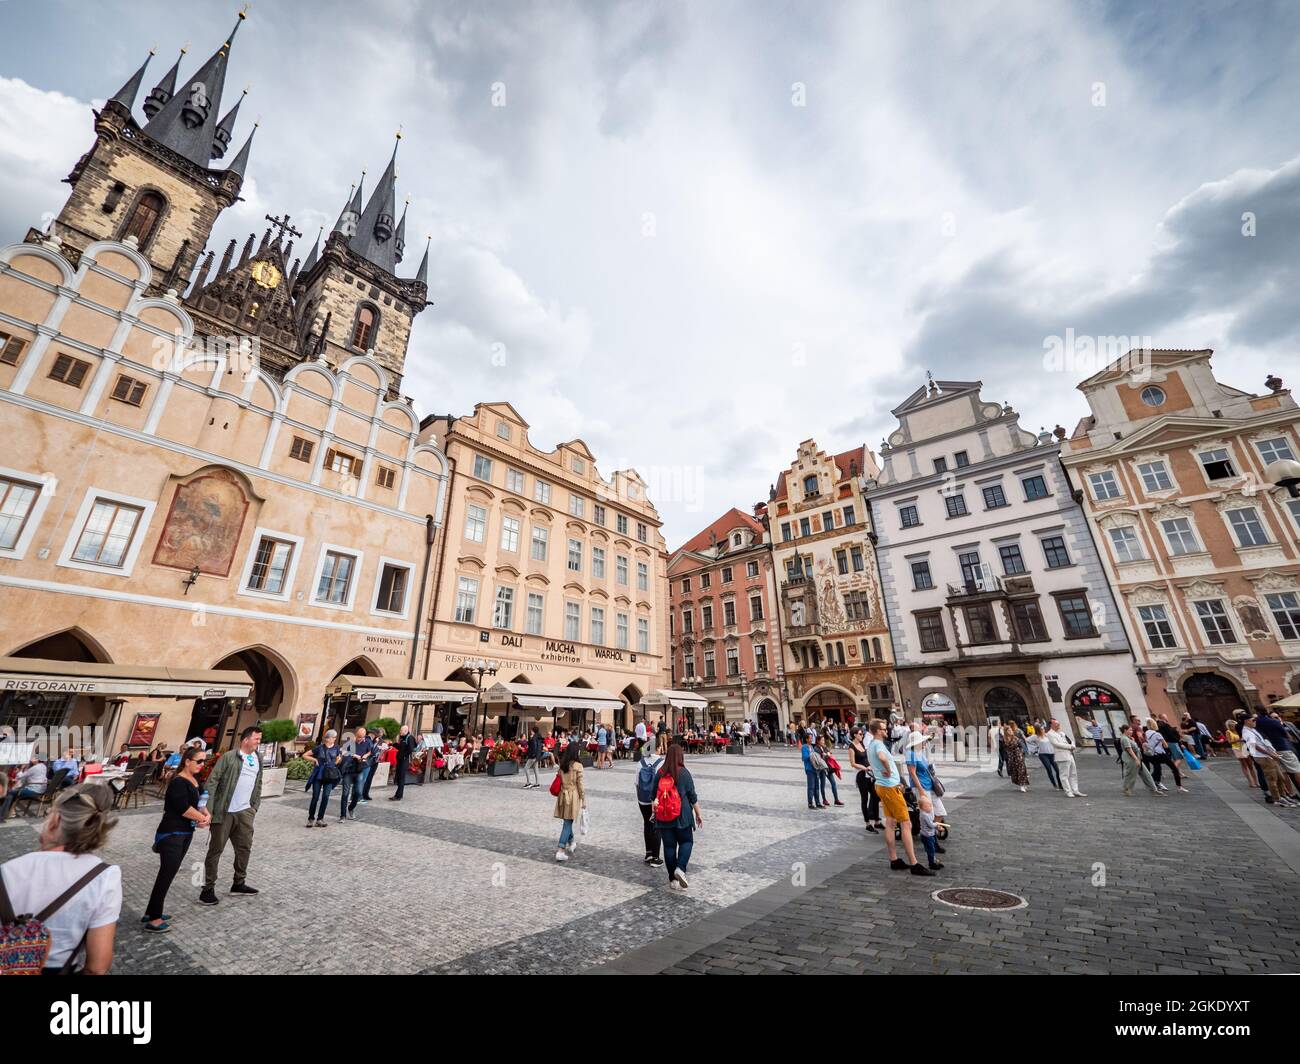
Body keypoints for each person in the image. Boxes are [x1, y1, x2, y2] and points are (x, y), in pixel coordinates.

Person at [0, 784, 120, 974]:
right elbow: (97, 967)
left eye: (48, 813)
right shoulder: (105, 876)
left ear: (55, 820)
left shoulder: (7, 871)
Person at [144, 745, 210, 933]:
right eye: (199, 761)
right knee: (166, 873)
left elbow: (201, 802)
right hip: (171, 833)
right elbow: (183, 808)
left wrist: (207, 815)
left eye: (204, 761)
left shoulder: (195, 780)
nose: (202, 765)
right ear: (187, 761)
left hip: (185, 833)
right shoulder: (178, 782)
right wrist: (201, 818)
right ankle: (154, 919)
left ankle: (152, 911)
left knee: (169, 873)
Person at [198, 725, 263, 906]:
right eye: (257, 739)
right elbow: (212, 782)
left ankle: (239, 883)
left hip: (245, 812)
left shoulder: (258, 758)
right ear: (246, 739)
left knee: (244, 848)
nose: (259, 742)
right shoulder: (229, 757)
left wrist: (254, 806)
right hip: (224, 812)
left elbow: (258, 783)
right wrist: (208, 808)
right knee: (216, 850)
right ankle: (207, 889)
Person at [866, 719, 931, 876]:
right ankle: (914, 863)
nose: (886, 730)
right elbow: (882, 757)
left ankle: (894, 859)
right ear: (876, 731)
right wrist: (888, 770)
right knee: (906, 824)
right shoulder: (878, 745)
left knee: (890, 822)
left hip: (882, 786)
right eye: (883, 728)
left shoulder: (871, 745)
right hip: (889, 787)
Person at [653, 742, 701, 889]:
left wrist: (653, 814)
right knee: (686, 842)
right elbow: (692, 796)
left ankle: (672, 880)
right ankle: (680, 868)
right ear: (681, 756)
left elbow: (652, 795)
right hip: (683, 815)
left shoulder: (660, 772)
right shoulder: (684, 773)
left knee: (669, 846)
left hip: (664, 816)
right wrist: (698, 814)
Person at [1241, 715, 1297, 807]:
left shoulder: (1252, 729)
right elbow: (1254, 745)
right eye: (1253, 720)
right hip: (1263, 757)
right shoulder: (1246, 732)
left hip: (1268, 755)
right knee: (1272, 779)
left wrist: (1272, 753)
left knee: (1280, 777)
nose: (1255, 721)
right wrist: (1270, 753)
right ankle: (1277, 799)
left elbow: (1262, 742)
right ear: (1246, 721)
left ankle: (1283, 796)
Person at [553, 740, 587, 862]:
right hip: (572, 796)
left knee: (567, 821)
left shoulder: (563, 764)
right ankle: (561, 850)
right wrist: (584, 800)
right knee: (568, 823)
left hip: (563, 795)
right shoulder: (578, 766)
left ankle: (571, 842)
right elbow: (580, 785)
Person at [634, 742, 664, 867]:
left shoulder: (640, 763)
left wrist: (640, 797)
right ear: (657, 748)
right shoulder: (662, 762)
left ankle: (648, 853)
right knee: (656, 826)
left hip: (643, 799)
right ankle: (656, 858)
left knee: (647, 823)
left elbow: (636, 783)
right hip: (656, 799)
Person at [305, 729, 343, 826]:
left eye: (335, 737)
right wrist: (314, 759)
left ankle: (320, 819)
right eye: (333, 737)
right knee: (315, 797)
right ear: (328, 738)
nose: (335, 739)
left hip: (330, 775)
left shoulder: (337, 748)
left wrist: (337, 762)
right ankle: (311, 818)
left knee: (326, 796)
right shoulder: (319, 748)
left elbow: (339, 758)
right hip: (319, 774)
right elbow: (305, 755)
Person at [1143, 720, 1188, 794]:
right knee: (1174, 769)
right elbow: (1165, 745)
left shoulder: (1146, 733)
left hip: (1153, 754)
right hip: (1161, 753)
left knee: (1157, 768)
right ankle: (1179, 787)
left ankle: (1155, 783)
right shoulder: (1157, 734)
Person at [1118, 724, 1162, 797]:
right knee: (1131, 775)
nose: (1132, 731)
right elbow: (1129, 750)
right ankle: (1127, 790)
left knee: (1146, 774)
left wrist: (1133, 740)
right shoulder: (1124, 738)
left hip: (1137, 758)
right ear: (1125, 730)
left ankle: (1154, 790)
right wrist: (1136, 759)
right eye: (1130, 730)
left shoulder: (1128, 738)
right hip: (1132, 760)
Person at [0, 756, 48, 820]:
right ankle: (9, 812)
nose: (31, 759)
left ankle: (3, 814)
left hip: (33, 790)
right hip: (41, 789)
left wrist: (20, 770)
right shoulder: (43, 766)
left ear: (37, 760)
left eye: (33, 758)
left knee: (10, 793)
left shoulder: (34, 768)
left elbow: (21, 776)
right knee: (13, 793)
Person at [1046, 719, 1085, 797]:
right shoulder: (1050, 734)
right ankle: (1068, 791)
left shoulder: (1062, 733)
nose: (1058, 725)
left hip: (1069, 754)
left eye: (1058, 723)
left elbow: (1070, 740)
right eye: (1056, 724)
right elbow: (1056, 744)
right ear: (1051, 725)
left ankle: (1075, 790)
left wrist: (1072, 745)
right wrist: (1070, 746)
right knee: (1064, 775)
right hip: (1061, 756)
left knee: (1073, 773)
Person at [390, 724, 418, 800]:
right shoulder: (403, 738)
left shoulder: (410, 738)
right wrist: (393, 744)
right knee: (399, 777)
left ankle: (398, 796)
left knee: (401, 778)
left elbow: (410, 749)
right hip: (400, 760)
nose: (400, 731)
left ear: (406, 731)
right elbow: (401, 747)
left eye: (401, 730)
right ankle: (398, 794)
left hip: (404, 760)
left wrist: (403, 755)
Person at [917, 793, 942, 871]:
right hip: (927, 836)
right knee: (930, 849)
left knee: (932, 848)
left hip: (930, 834)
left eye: (930, 805)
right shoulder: (924, 815)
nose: (931, 807)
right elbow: (931, 825)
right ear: (923, 807)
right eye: (928, 806)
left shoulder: (926, 812)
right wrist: (937, 824)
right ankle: (932, 863)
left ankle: (934, 861)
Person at [817, 736, 844, 806]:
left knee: (833, 783)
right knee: (822, 785)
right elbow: (819, 759)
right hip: (822, 769)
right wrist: (826, 755)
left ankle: (836, 800)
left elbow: (829, 753)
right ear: (818, 741)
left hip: (828, 769)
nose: (823, 741)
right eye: (822, 740)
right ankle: (824, 800)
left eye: (823, 740)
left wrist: (828, 754)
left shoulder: (824, 747)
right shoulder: (816, 749)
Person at [1002, 723, 1030, 792]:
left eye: (1011, 730)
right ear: (1006, 732)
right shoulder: (1004, 740)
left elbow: (1021, 746)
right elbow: (1004, 749)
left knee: (1021, 769)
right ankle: (1022, 783)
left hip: (1018, 755)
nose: (1011, 731)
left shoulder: (1015, 738)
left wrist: (1021, 753)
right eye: (1009, 730)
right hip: (1011, 757)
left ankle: (1022, 785)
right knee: (1015, 771)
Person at [800, 734, 824, 810]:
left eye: (812, 738)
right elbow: (804, 758)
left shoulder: (812, 747)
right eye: (810, 738)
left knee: (817, 786)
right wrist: (812, 755)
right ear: (806, 739)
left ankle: (818, 802)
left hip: (815, 769)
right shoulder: (804, 747)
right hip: (809, 769)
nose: (811, 739)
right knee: (811, 786)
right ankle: (810, 803)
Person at [522, 725, 543, 789]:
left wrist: (532, 755)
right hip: (537, 756)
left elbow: (534, 746)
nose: (530, 731)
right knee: (535, 769)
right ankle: (537, 783)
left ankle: (528, 783)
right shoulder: (538, 737)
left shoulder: (534, 738)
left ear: (533, 731)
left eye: (531, 730)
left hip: (533, 756)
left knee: (526, 768)